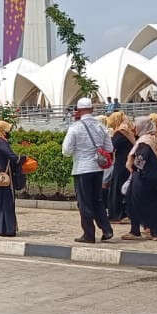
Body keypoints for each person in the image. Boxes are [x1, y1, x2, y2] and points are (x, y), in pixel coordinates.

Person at [62, 98, 113, 243]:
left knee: (84, 202)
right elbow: (109, 148)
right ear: (91, 109)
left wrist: (79, 151)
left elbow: (66, 150)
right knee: (97, 200)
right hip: (98, 167)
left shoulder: (75, 127)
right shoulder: (101, 126)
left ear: (78, 110)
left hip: (82, 168)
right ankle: (106, 229)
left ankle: (89, 234)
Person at [127, 117, 157, 239]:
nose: (134, 128)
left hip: (143, 176)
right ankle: (154, 233)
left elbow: (141, 159)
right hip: (155, 175)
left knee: (134, 202)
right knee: (152, 204)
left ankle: (135, 231)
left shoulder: (145, 140)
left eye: (136, 125)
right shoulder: (155, 138)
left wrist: (133, 167)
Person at [105, 111, 132, 224]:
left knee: (117, 188)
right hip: (127, 163)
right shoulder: (128, 131)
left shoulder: (120, 132)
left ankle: (116, 214)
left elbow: (111, 147)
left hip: (121, 164)